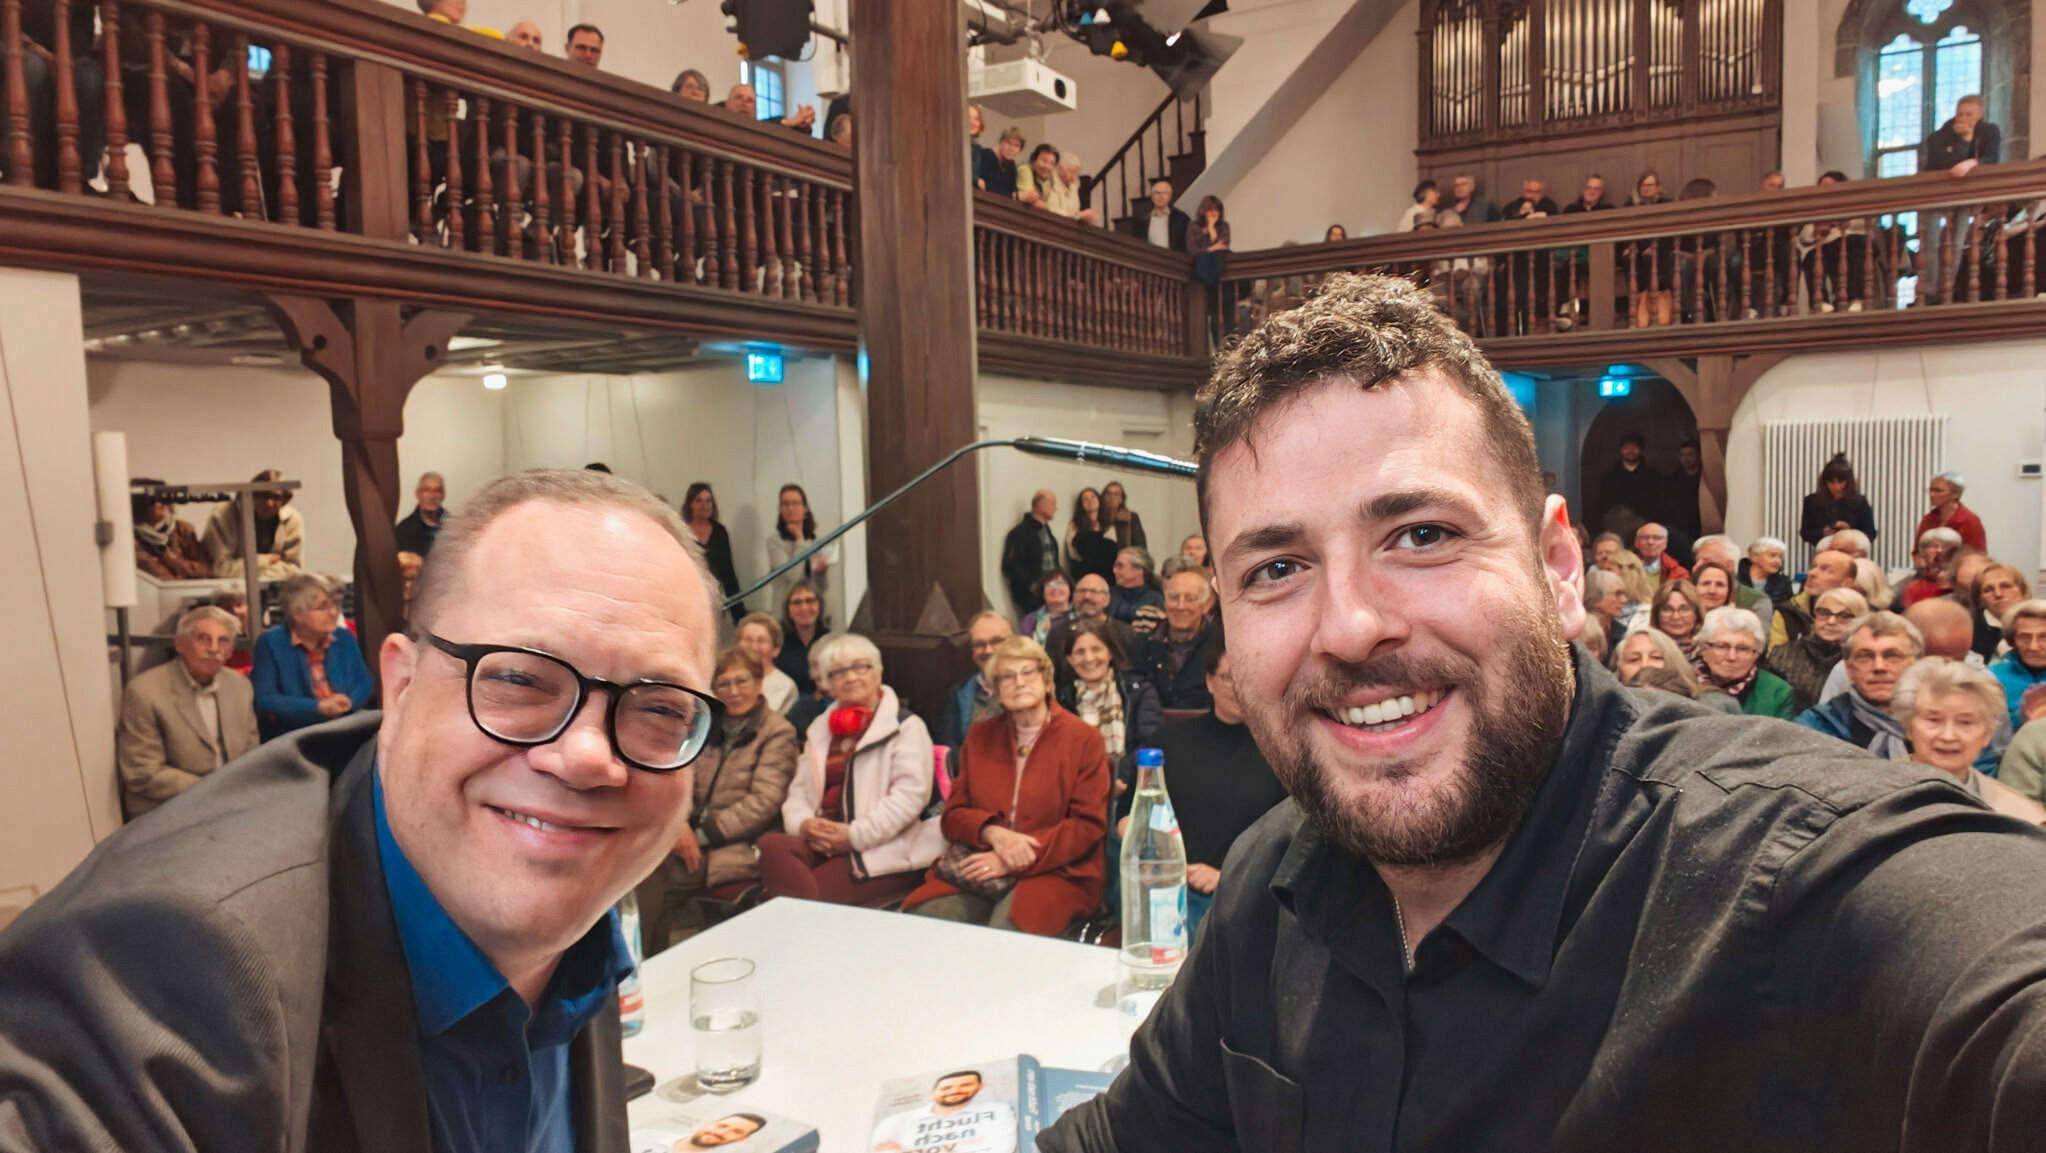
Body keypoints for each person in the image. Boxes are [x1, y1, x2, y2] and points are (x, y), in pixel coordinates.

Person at [1042, 272, 2046, 1153]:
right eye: (1276, 567)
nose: (1346, 627)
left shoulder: (1785, 882)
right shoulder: (1273, 883)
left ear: (1558, 567)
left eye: (1422, 532)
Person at [0, 469, 726, 1151]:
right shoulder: (172, 967)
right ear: (402, 686)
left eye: (659, 707)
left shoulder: (565, 889)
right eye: (517, 678)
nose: (588, 757)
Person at [904, 636, 1109, 936]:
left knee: (1006, 933)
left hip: (1059, 869)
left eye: (1028, 672)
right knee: (924, 920)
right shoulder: (980, 736)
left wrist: (1012, 858)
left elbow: (1087, 827)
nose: (1019, 682)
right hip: (983, 860)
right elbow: (953, 816)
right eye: (1007, 676)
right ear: (996, 690)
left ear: (1047, 680)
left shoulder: (1083, 739)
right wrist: (993, 833)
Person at [1113, 640, 1285, 938]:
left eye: (1249, 676)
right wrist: (1148, 853)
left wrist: (1225, 879)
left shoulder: (1281, 752)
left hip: (1241, 893)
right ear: (1209, 681)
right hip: (1161, 882)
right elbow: (1128, 814)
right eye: (1230, 677)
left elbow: (1289, 843)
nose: (1239, 687)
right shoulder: (1168, 741)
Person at [634, 648, 797, 954]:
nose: (734, 692)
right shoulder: (709, 727)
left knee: (655, 878)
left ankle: (646, 966)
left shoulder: (777, 732)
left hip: (739, 846)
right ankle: (645, 967)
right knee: (640, 864)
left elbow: (764, 802)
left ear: (759, 682)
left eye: (742, 681)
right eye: (724, 684)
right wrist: (679, 824)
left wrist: (699, 835)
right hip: (690, 837)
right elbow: (681, 779)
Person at [759, 633, 941, 907]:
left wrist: (854, 836)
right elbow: (797, 793)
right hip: (822, 842)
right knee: (771, 845)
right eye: (839, 671)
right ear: (828, 683)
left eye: (860, 667)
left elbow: (910, 797)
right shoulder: (820, 728)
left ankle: (795, 918)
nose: (851, 677)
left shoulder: (906, 726)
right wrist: (806, 825)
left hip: (882, 849)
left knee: (798, 896)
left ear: (878, 673)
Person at [115, 606, 260, 818]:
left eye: (223, 641)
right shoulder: (144, 691)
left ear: (230, 651)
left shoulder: (240, 685)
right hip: (168, 809)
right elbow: (143, 772)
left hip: (231, 802)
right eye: (203, 638)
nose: (214, 649)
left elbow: (251, 752)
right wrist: (214, 791)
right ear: (180, 644)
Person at [1893, 658, 2043, 823]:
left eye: (1965, 722)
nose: (1948, 736)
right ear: (1908, 727)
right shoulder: (1872, 796)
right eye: (1934, 720)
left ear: (1987, 734)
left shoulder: (2020, 815)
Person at [251, 574, 373, 740]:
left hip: (346, 728)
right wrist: (318, 707)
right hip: (296, 738)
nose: (333, 613)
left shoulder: (344, 638)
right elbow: (266, 699)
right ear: (297, 614)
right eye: (322, 608)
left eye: (335, 606)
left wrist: (350, 702)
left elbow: (364, 681)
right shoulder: (271, 643)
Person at [1794, 610, 1923, 757]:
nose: (1879, 667)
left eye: (1892, 656)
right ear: (1849, 669)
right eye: (1865, 657)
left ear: (1916, 664)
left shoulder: (1942, 726)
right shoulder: (1814, 728)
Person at [1056, 617, 1162, 766]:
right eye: (1080, 652)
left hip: (1130, 782)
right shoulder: (1061, 700)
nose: (1089, 658)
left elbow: (1150, 743)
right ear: (1070, 659)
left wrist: (1120, 777)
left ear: (1110, 653)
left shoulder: (1139, 691)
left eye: (1096, 649)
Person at [1765, 588, 1868, 714]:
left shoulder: (1863, 660)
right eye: (1824, 613)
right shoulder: (1784, 654)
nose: (1831, 621)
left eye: (1844, 616)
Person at [870, 1069, 1016, 1153]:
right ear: (932, 1093)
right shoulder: (896, 1121)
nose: (955, 1091)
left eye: (966, 1085)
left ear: (980, 1087)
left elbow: (1001, 1149)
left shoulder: (997, 1110)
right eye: (946, 1088)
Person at [1135, 569, 1221, 710]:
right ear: (1164, 602)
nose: (1180, 606)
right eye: (1174, 597)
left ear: (1207, 604)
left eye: (1190, 598)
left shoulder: (1222, 646)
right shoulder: (1143, 645)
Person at [1693, 606, 1795, 718]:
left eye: (1743, 649)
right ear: (1703, 648)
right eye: (1722, 646)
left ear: (1757, 654)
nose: (1732, 657)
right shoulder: (1682, 682)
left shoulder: (1777, 692)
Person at [203, 469, 305, 580]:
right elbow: (221, 570)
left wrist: (252, 572)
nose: (269, 503)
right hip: (230, 591)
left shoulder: (292, 519)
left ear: (285, 500)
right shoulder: (223, 514)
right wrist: (268, 560)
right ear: (251, 495)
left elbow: (294, 569)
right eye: (263, 495)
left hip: (276, 590)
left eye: (276, 497)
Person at [937, 612, 1015, 750]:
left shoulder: (1034, 686)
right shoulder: (960, 693)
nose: (988, 650)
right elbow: (947, 750)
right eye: (979, 644)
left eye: (996, 641)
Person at [1611, 628, 1738, 713]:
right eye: (1634, 659)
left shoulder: (1716, 707)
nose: (1645, 665)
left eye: (1656, 657)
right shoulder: (1606, 713)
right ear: (1618, 669)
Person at [765, 483, 835, 613]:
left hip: (813, 612)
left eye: (795, 503)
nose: (790, 508)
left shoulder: (818, 541)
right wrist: (799, 539)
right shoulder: (774, 542)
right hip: (785, 615)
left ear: (805, 509)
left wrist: (821, 573)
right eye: (785, 504)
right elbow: (793, 578)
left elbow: (824, 587)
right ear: (780, 510)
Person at [1767, 548, 1856, 651]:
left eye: (1825, 569)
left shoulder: (1862, 614)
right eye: (1813, 567)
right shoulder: (1789, 611)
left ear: (1847, 583)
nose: (1812, 573)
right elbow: (1775, 658)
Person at [1623, 170, 1677, 327]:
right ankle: (1641, 300)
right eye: (1644, 185)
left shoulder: (1665, 204)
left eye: (1651, 185)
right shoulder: (1629, 206)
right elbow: (1627, 230)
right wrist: (1633, 246)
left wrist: (1655, 247)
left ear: (1657, 187)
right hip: (1639, 248)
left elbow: (1669, 231)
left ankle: (1656, 302)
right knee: (1629, 259)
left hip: (1661, 248)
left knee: (1653, 260)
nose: (1647, 188)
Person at [682, 482, 743, 621]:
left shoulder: (720, 532)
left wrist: (739, 615)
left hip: (716, 602)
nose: (704, 505)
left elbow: (728, 572)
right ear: (690, 504)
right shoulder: (682, 531)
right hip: (689, 601)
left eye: (708, 501)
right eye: (699, 501)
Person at [129, 483, 211, 580]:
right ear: (141, 504)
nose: (164, 502)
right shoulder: (132, 537)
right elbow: (165, 580)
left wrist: (169, 559)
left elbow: (207, 570)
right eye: (157, 499)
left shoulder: (183, 528)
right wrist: (187, 571)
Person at [1000, 490, 1064, 613]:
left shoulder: (1047, 532)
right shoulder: (1020, 533)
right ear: (1041, 505)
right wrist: (1032, 584)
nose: (1056, 508)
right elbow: (1010, 564)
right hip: (1033, 596)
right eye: (1053, 503)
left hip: (1053, 590)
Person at [1798, 453, 1877, 552]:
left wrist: (1850, 531)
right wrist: (1824, 532)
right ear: (1824, 481)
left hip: (1852, 551)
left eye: (1840, 481)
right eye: (1831, 481)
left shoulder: (1859, 502)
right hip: (1824, 551)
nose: (1836, 486)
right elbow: (1805, 533)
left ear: (1848, 482)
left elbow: (1871, 533)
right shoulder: (1812, 501)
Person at [1988, 599, 2046, 733]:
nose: (2034, 647)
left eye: (2043, 637)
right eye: (2025, 637)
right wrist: (2021, 719)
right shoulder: (1992, 678)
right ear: (2012, 640)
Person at [1595, 433, 1663, 533]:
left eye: (1634, 447)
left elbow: (1658, 504)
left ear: (1641, 450)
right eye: (1626, 447)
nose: (1630, 451)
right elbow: (1604, 506)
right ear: (1621, 450)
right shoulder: (1609, 478)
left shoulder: (1654, 477)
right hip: (1616, 527)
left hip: (1646, 527)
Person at [736, 613, 800, 714]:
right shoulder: (721, 677)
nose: (754, 647)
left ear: (776, 650)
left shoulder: (785, 686)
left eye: (761, 641)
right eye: (748, 640)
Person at [777, 580, 829, 699]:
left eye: (810, 600)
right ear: (788, 610)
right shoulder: (778, 644)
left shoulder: (831, 643)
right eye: (797, 602)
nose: (804, 607)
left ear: (820, 605)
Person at [1971, 562, 2030, 661]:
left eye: (2006, 586)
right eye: (1988, 590)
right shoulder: (1970, 631)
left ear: (2022, 590)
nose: (1998, 594)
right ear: (1980, 599)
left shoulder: (2040, 621)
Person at [1917, 471, 1986, 553]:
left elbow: (1977, 556)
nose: (1932, 494)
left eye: (1938, 491)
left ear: (1955, 494)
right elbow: (1917, 553)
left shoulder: (1970, 521)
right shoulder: (1928, 519)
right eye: (1931, 490)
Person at [1065, 487, 1117, 583]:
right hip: (1082, 572)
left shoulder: (1108, 525)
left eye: (1093, 497)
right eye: (1086, 499)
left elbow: (1111, 550)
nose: (1090, 501)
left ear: (1099, 500)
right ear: (1081, 505)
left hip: (1106, 573)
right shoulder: (1074, 525)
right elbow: (1073, 553)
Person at [394, 471, 448, 557]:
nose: (432, 496)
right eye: (426, 490)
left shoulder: (455, 527)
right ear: (417, 494)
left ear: (443, 495)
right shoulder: (403, 531)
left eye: (437, 490)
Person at [1107, 547, 1164, 626]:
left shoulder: (1155, 599)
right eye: (1115, 566)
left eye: (1120, 566)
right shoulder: (1108, 594)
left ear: (1138, 569)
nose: (1114, 570)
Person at [1646, 579, 1704, 656]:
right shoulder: (1646, 653)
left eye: (1684, 609)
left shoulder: (1707, 655)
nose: (1675, 617)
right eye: (1667, 609)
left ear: (1696, 614)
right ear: (1656, 614)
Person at [1130, 177, 1190, 250]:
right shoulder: (1142, 221)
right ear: (1152, 197)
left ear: (1170, 197)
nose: (1160, 197)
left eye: (1164, 193)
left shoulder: (1181, 219)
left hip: (1173, 259)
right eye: (1157, 193)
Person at [1020, 570, 1076, 646]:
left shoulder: (1080, 617)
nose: (1055, 588)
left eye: (1060, 583)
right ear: (1043, 592)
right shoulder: (1030, 621)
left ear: (1070, 590)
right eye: (1049, 585)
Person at [1740, 535, 1794, 606]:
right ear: (1754, 557)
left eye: (1780, 557)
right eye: (1772, 555)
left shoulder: (1783, 583)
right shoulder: (1735, 577)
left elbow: (1787, 611)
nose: (1778, 561)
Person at [1633, 522, 1689, 586]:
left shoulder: (1679, 574)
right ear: (1636, 542)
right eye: (1645, 537)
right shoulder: (1624, 569)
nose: (1650, 542)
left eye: (1656, 538)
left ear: (1665, 543)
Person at [977, 126, 1025, 197]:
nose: (1011, 148)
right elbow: (989, 188)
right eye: (1008, 143)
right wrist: (1015, 196)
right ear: (1001, 142)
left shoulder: (1011, 165)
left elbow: (1012, 190)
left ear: (1020, 150)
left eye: (1016, 146)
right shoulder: (987, 155)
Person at [1099, 482, 1147, 551]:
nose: (1112, 497)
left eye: (1116, 494)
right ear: (1103, 497)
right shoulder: (1098, 517)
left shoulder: (1131, 517)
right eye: (1108, 494)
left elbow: (1140, 546)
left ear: (1121, 499)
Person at [1014, 143, 1059, 208]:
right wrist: (1056, 210)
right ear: (1034, 159)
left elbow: (1052, 204)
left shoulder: (1049, 179)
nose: (1047, 166)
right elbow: (1030, 199)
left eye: (1052, 163)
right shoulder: (1025, 170)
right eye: (1044, 161)